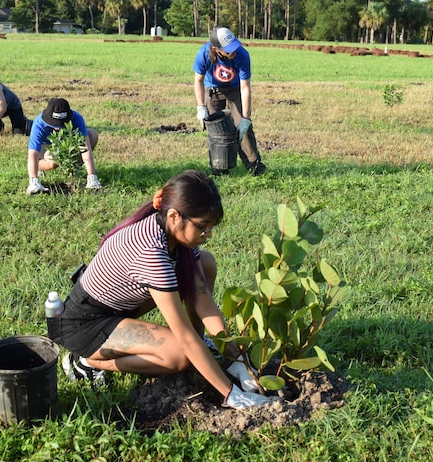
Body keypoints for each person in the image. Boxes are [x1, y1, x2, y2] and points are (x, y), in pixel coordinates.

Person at [54, 170, 276, 409]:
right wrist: (230, 393)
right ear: (174, 216)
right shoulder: (151, 253)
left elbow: (202, 300)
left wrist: (237, 359)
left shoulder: (175, 235)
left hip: (118, 309)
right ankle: (87, 361)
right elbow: (185, 337)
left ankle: (204, 347)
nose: (208, 235)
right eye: (203, 227)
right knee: (179, 355)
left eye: (211, 227)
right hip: (85, 324)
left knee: (206, 263)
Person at [193, 27, 266, 176]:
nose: (232, 52)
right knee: (217, 130)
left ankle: (254, 166)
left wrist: (245, 118)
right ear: (216, 48)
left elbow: (245, 87)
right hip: (213, 90)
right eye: (228, 50)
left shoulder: (242, 55)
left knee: (243, 129)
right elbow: (198, 81)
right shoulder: (203, 54)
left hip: (235, 90)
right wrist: (201, 106)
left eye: (233, 48)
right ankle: (219, 168)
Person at [26, 98, 102, 195]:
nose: (57, 127)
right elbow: (33, 154)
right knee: (53, 160)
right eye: (54, 123)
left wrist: (92, 177)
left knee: (92, 134)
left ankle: (74, 167)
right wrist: (33, 181)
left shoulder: (77, 118)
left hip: (66, 143)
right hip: (46, 146)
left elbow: (85, 148)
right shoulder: (39, 123)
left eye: (61, 123)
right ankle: (38, 168)